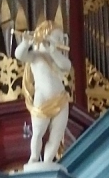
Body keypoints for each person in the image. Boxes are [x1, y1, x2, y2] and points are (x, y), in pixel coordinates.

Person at [15, 21, 71, 167]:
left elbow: (66, 66)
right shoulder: (35, 56)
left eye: (61, 39)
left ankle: (47, 162)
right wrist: (25, 43)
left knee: (57, 134)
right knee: (38, 132)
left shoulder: (57, 57)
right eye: (57, 38)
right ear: (45, 36)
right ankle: (34, 158)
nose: (60, 42)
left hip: (60, 98)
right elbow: (19, 55)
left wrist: (53, 51)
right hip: (42, 98)